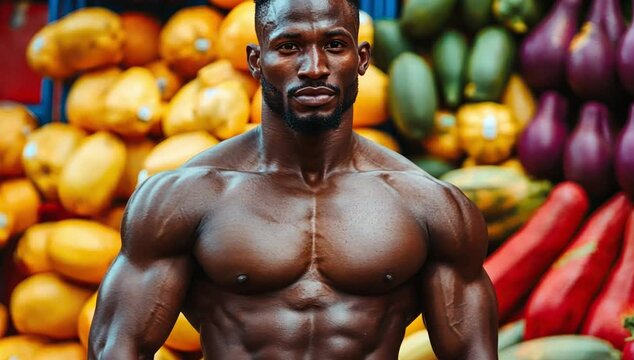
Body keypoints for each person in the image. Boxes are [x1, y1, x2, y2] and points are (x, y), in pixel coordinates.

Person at [88, 0, 498, 358]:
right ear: (255, 60)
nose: (315, 68)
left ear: (362, 58)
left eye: (334, 46)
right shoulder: (187, 197)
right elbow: (118, 347)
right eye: (289, 47)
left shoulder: (427, 205)